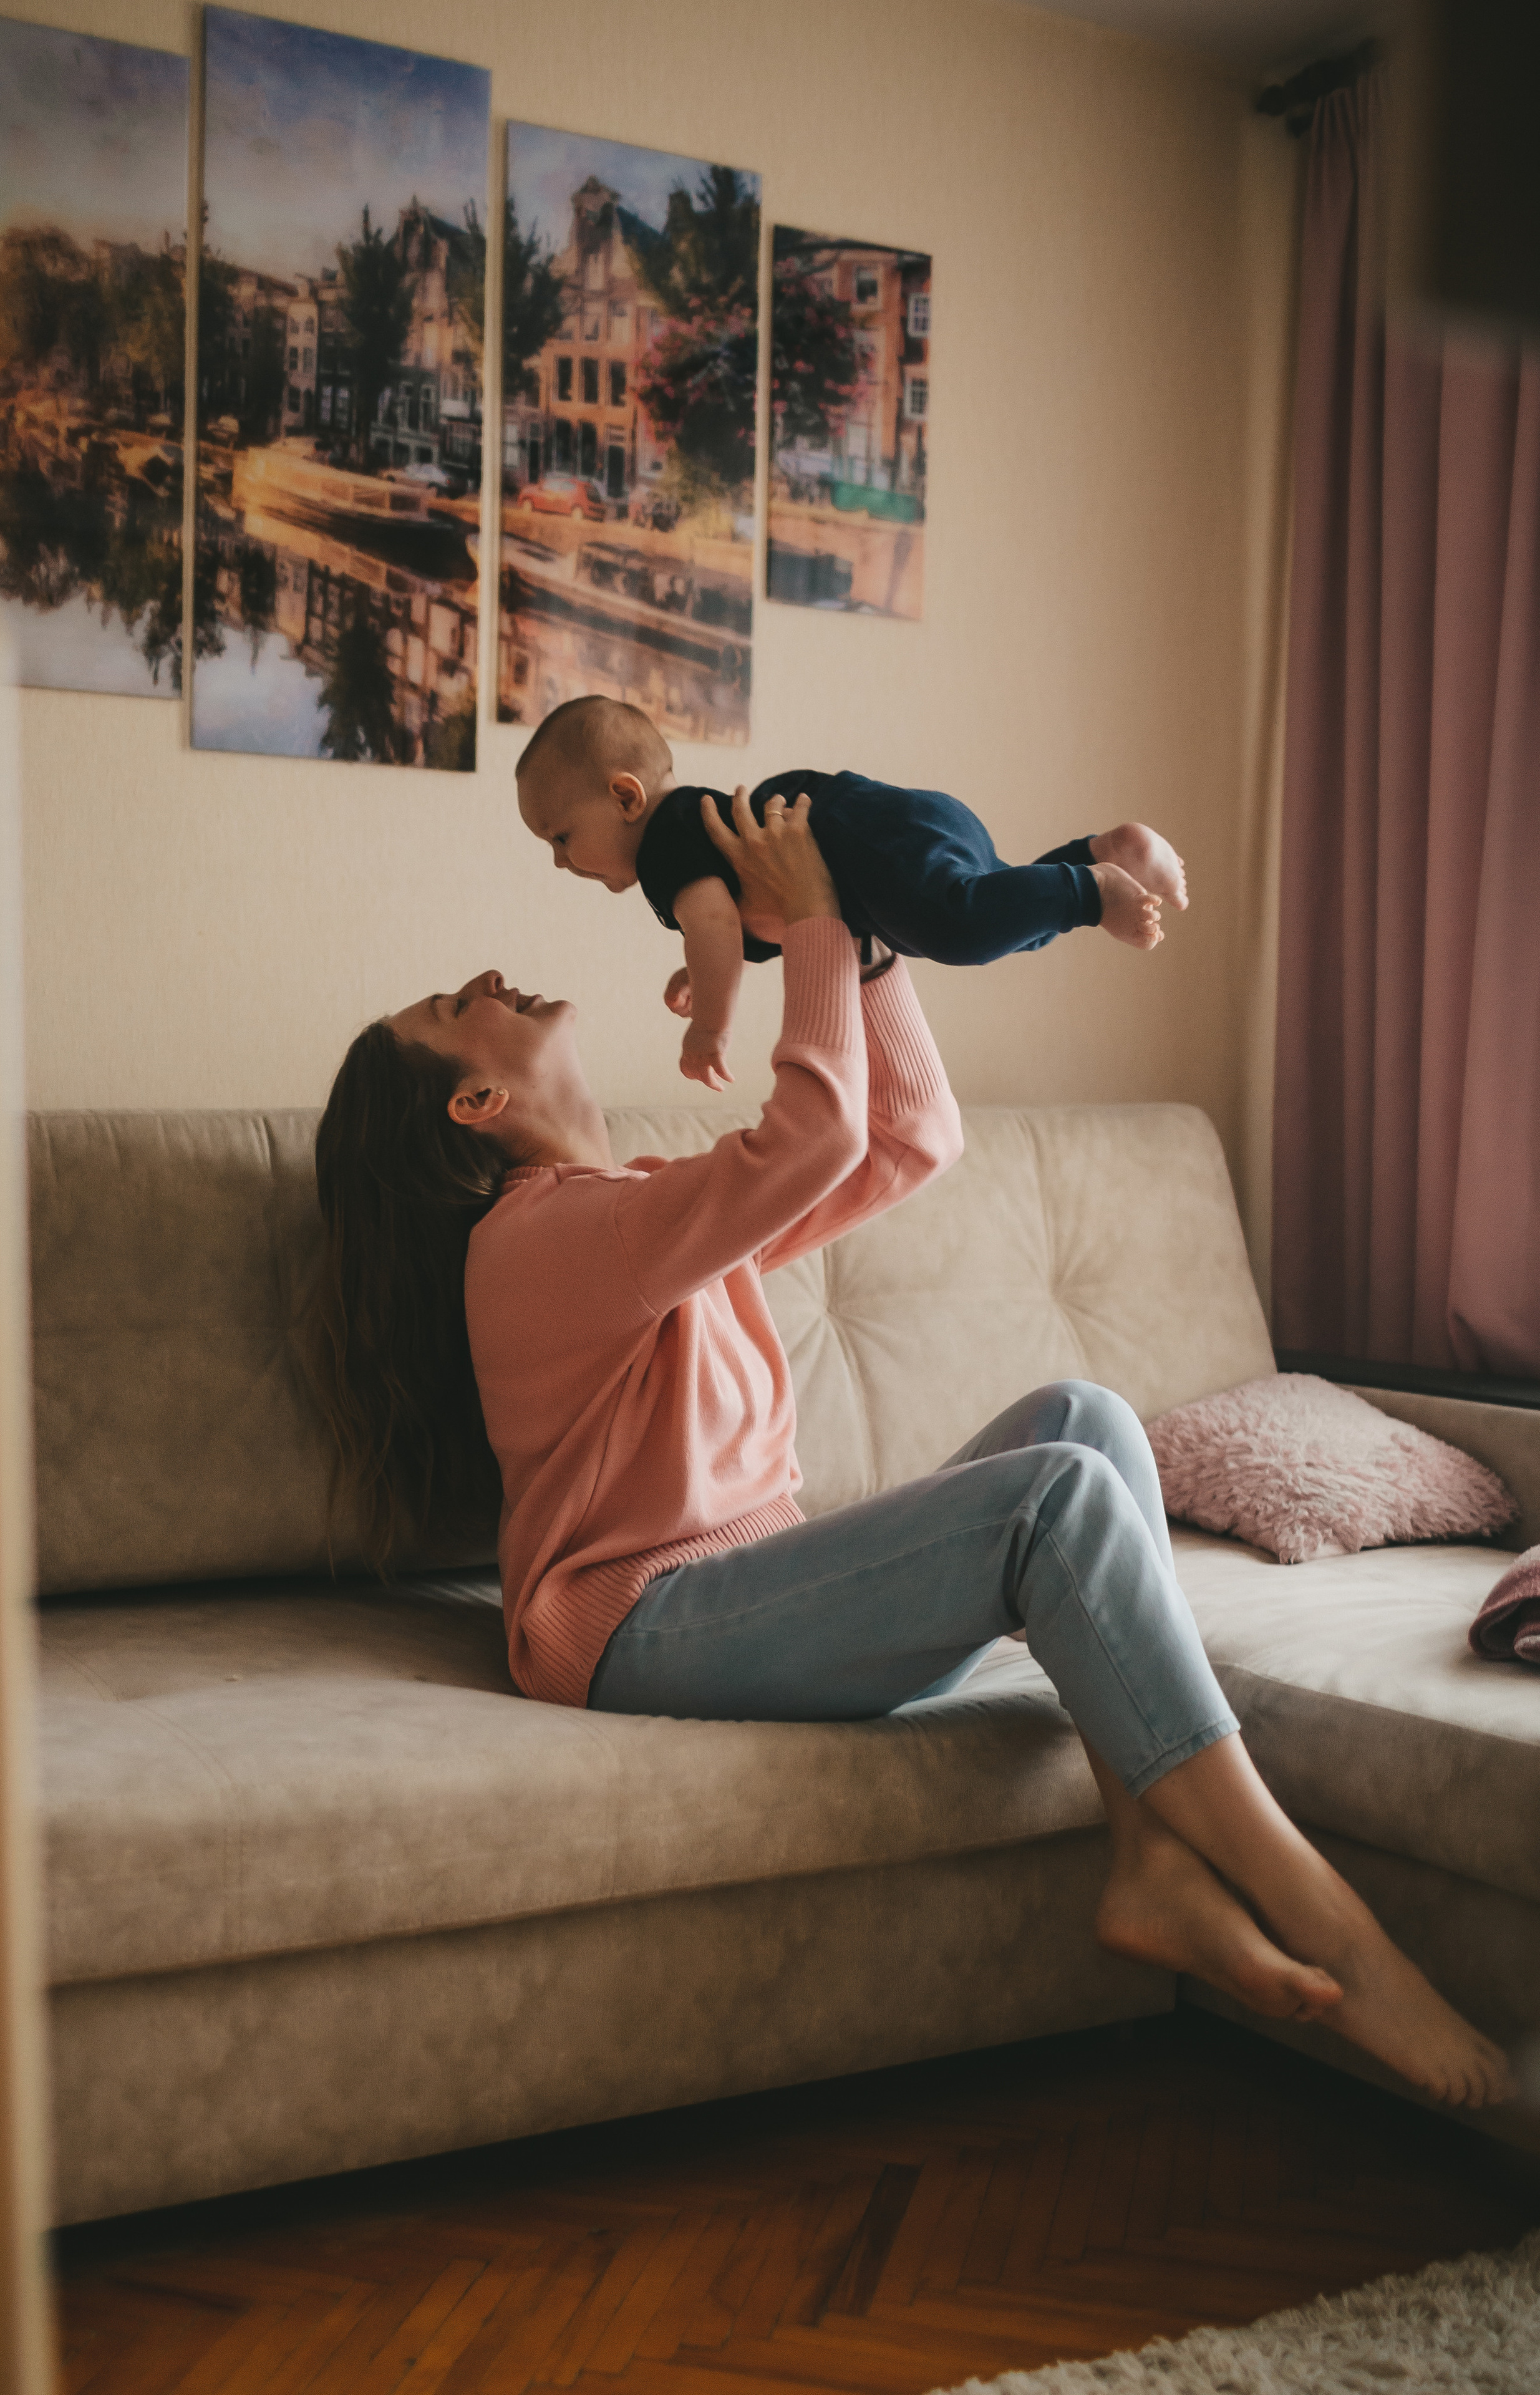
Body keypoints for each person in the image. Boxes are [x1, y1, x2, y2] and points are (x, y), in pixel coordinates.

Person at [312, 786, 1511, 2115]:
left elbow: (903, 1141)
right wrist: (814, 921)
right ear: (475, 1100)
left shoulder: (634, 1209)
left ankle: (1147, 1861)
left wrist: (865, 939)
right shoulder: (530, 1245)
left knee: (1088, 1422)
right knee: (1050, 1501)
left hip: (736, 1585)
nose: (481, 979)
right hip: (635, 1627)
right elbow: (814, 1133)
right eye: (447, 1005)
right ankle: (1334, 1928)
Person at [515, 693, 1188, 1091]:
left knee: (958, 930)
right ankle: (1101, 856)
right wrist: (699, 963)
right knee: (996, 917)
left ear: (625, 796)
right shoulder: (691, 840)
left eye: (561, 836)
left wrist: (709, 1024)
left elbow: (716, 924)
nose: (556, 862)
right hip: (893, 837)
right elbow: (752, 917)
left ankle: (1091, 888)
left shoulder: (665, 845)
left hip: (868, 838)